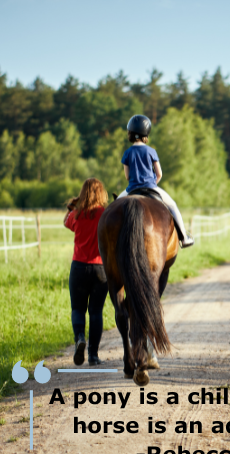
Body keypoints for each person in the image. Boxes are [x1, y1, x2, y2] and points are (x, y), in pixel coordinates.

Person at [117, 114, 194, 248]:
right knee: (172, 206)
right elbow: (159, 173)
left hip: (132, 189)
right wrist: (153, 184)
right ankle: (184, 238)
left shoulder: (127, 152)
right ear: (146, 133)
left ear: (130, 133)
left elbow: (127, 177)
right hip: (151, 187)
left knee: (116, 205)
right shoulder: (151, 151)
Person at [64, 178, 109, 366]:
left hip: (79, 268)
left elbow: (66, 222)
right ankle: (93, 355)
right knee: (96, 312)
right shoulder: (105, 214)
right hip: (100, 269)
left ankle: (80, 337)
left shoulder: (76, 214)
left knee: (77, 309)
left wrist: (73, 205)